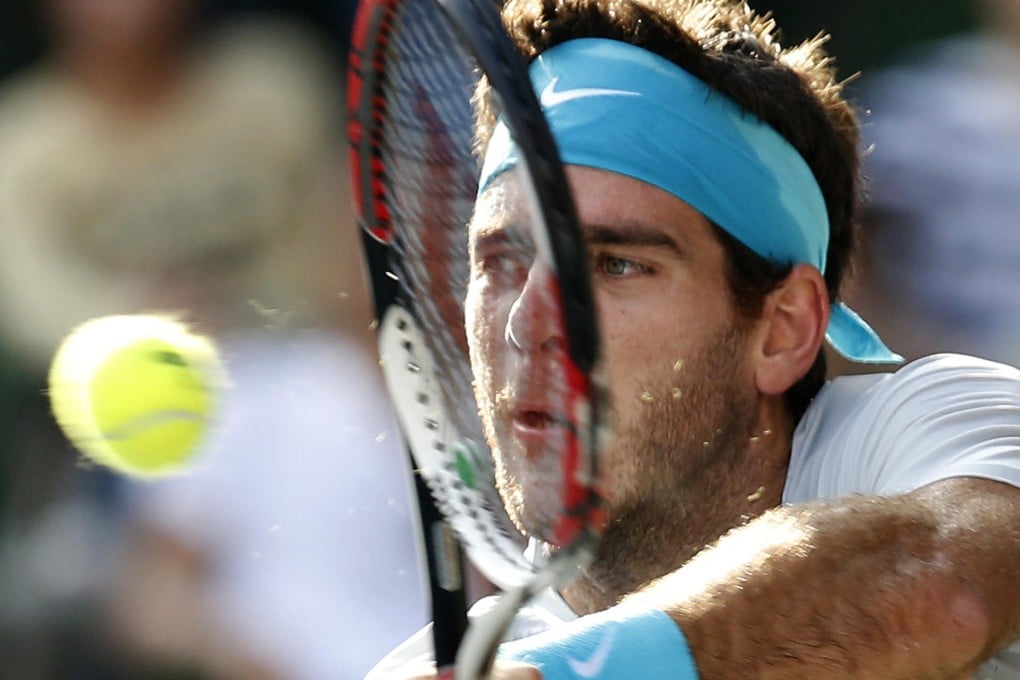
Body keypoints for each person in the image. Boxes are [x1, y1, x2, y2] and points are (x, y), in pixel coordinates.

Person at [368, 0, 1020, 678]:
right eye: (502, 261)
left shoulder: (943, 424)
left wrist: (564, 673)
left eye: (615, 265)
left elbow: (941, 591)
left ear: (784, 329)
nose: (526, 323)